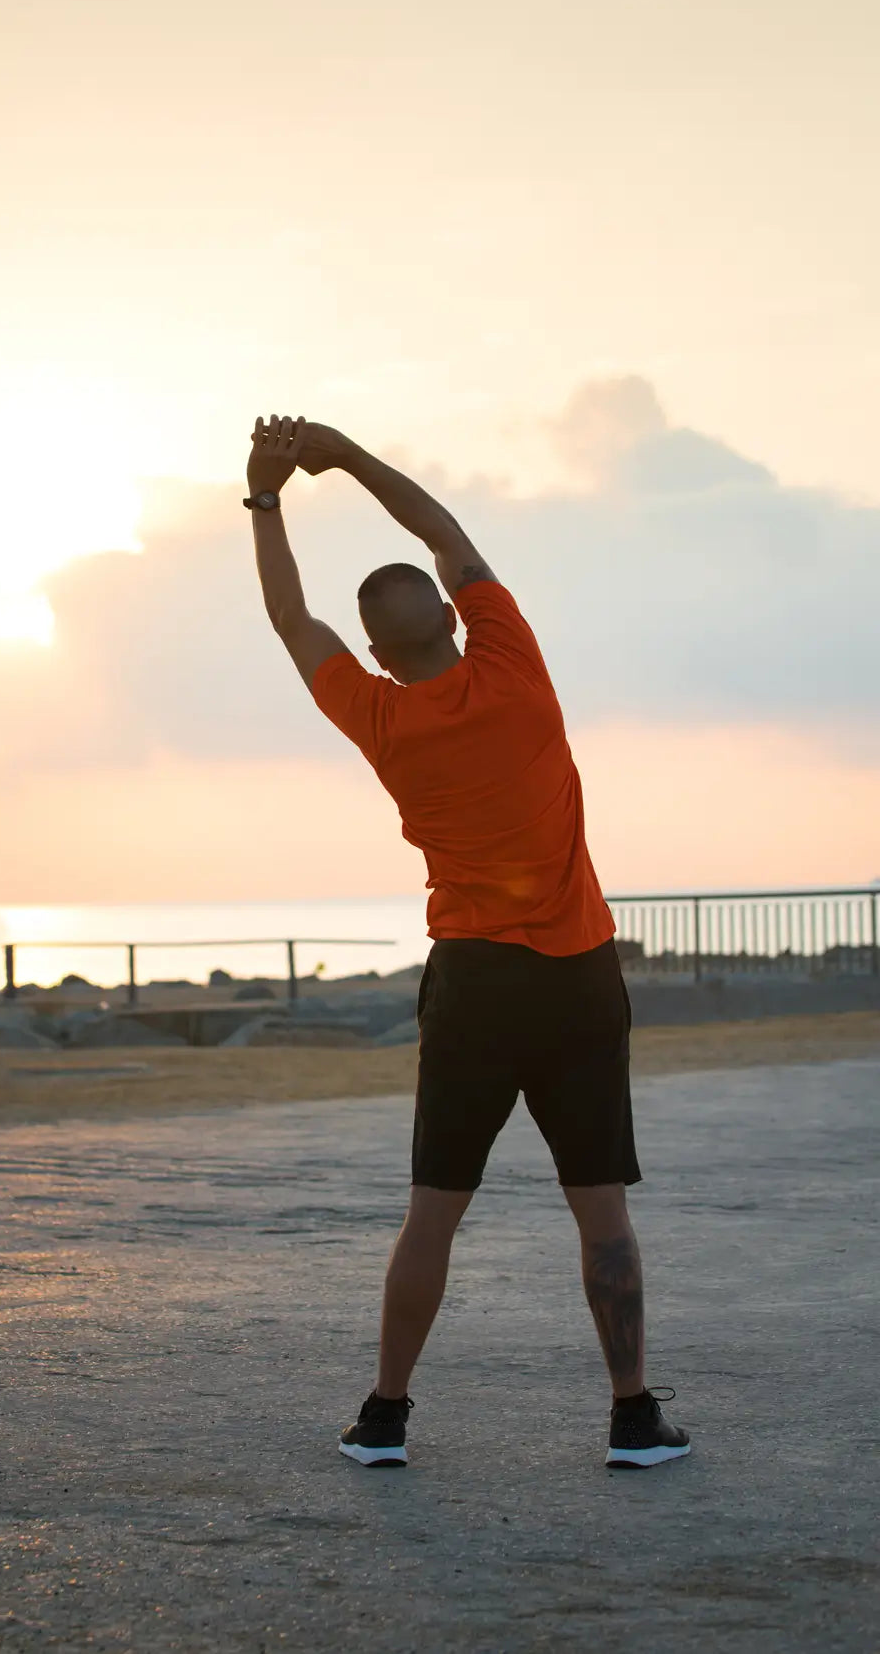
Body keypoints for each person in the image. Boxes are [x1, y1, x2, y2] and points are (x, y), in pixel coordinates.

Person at [244, 413, 690, 1471]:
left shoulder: (379, 720)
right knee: (602, 1217)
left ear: (372, 654)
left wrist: (262, 495)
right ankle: (632, 1418)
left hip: (473, 988)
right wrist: (341, 457)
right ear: (451, 615)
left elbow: (286, 620)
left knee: (430, 1217)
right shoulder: (512, 666)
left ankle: (383, 1419)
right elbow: (442, 528)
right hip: (577, 977)